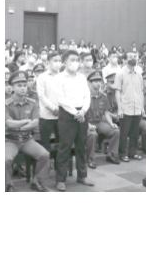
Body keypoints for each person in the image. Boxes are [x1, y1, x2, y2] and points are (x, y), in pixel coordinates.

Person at [54, 51, 93, 190]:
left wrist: (83, 111)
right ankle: (60, 179)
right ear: (65, 61)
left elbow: (87, 96)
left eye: (77, 60)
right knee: (64, 147)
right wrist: (75, 112)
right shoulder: (59, 78)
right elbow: (61, 99)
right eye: (72, 59)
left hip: (82, 113)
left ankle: (82, 175)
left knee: (82, 146)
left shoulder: (82, 77)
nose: (75, 62)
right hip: (67, 114)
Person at [5, 75, 50, 191]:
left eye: (24, 85)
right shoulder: (5, 104)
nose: (22, 88)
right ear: (12, 87)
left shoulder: (32, 103)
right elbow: (9, 123)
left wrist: (19, 126)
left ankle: (37, 181)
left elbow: (35, 122)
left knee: (44, 155)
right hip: (10, 140)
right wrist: (25, 121)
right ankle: (7, 185)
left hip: (26, 139)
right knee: (6, 159)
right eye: (19, 85)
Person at [116, 53, 145, 160]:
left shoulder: (139, 74)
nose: (133, 59)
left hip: (137, 108)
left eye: (134, 57)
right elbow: (117, 92)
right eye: (130, 57)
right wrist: (119, 108)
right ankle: (122, 153)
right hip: (125, 108)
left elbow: (141, 92)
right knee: (124, 132)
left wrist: (142, 107)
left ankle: (133, 152)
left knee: (135, 133)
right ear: (125, 59)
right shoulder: (120, 74)